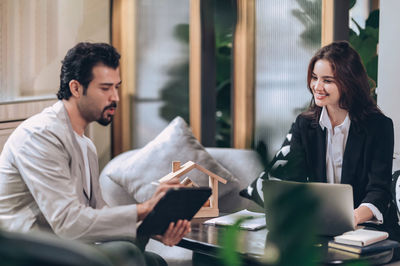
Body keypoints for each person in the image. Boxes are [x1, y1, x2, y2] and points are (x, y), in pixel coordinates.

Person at [0, 42, 190, 265]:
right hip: (26, 250)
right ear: (76, 88)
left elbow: (96, 213)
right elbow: (69, 223)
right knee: (127, 252)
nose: (115, 98)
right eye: (105, 88)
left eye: (116, 87)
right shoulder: (39, 136)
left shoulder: (86, 145)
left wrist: (151, 226)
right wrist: (144, 208)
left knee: (154, 260)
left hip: (66, 245)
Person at [266, 41, 398, 235]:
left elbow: (379, 190)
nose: (317, 87)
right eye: (314, 78)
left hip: (368, 228)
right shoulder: (304, 125)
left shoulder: (378, 126)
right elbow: (295, 181)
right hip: (319, 227)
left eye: (327, 80)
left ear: (348, 82)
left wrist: (353, 217)